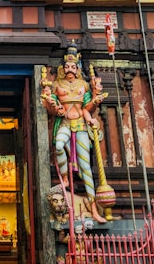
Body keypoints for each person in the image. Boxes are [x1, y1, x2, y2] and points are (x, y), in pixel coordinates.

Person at [41, 45, 107, 223]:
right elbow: (52, 106)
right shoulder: (57, 85)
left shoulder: (84, 85)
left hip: (80, 125)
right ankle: (64, 176)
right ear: (62, 68)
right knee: (59, 145)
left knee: (86, 168)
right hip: (64, 123)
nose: (70, 69)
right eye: (67, 66)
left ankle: (93, 208)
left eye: (73, 66)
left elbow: (87, 108)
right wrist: (53, 103)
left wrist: (94, 103)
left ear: (77, 68)